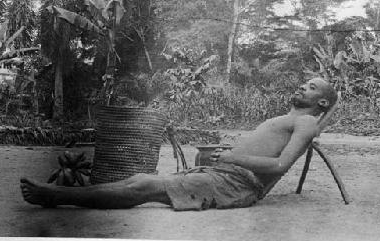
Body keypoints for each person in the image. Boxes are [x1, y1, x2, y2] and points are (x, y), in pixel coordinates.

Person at [20, 77, 337, 211]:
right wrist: (226, 156)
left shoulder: (306, 123)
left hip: (237, 185)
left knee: (143, 186)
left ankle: (56, 195)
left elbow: (280, 166)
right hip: (225, 175)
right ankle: (60, 195)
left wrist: (232, 158)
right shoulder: (290, 118)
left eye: (311, 86)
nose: (301, 85)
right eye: (303, 82)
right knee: (139, 181)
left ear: (321, 102)